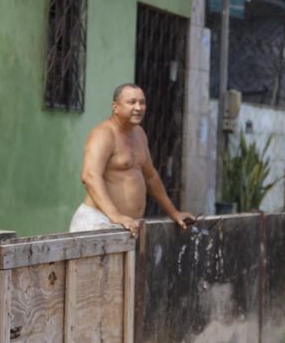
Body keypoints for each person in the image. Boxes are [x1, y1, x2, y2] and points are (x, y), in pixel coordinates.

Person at [70, 83, 197, 236]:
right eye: (132, 102)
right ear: (115, 107)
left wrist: (174, 213)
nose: (138, 107)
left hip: (126, 225)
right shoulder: (103, 134)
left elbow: (151, 177)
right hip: (98, 221)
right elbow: (90, 176)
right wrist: (115, 215)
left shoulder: (139, 134)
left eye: (142, 102)